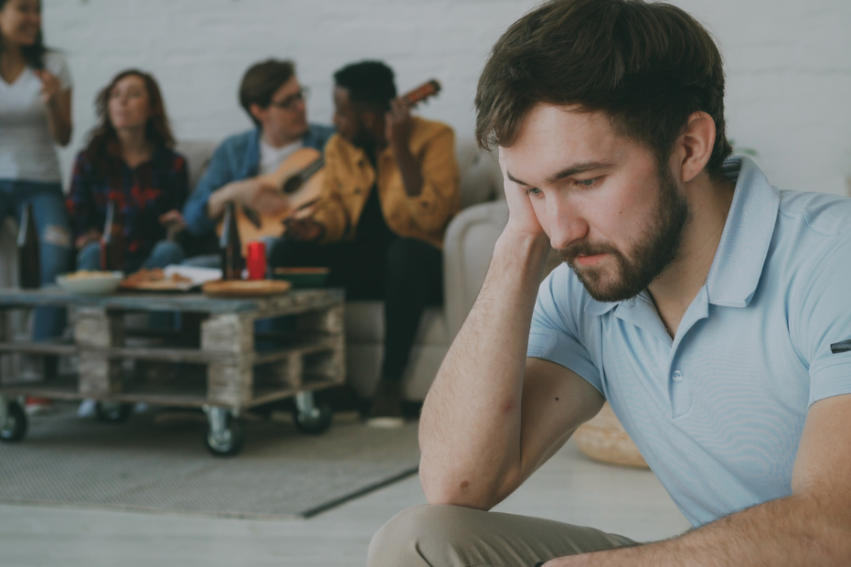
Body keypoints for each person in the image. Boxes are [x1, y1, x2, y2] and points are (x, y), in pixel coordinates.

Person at [369, 1, 851, 566]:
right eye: (533, 190)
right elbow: (457, 483)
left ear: (689, 147)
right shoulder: (587, 290)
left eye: (585, 180)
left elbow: (832, 529)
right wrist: (517, 247)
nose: (561, 230)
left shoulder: (830, 259)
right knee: (421, 542)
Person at [272, 61, 460, 427]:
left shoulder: (436, 137)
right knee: (286, 252)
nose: (335, 119)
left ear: (372, 117)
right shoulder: (339, 147)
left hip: (418, 266)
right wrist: (317, 228)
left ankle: (388, 386)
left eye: (343, 112)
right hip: (370, 263)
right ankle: (321, 384)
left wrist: (400, 147)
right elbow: (334, 207)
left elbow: (432, 218)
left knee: (404, 253)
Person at [182, 59, 334, 259]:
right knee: (185, 267)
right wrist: (234, 193)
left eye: (300, 95)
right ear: (258, 111)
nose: (301, 107)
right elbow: (192, 219)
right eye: (288, 102)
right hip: (240, 256)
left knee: (275, 248)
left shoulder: (331, 143)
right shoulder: (233, 150)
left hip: (299, 252)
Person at [0, 0, 73, 344]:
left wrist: (54, 101)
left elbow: (64, 137)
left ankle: (42, 368)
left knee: (57, 255)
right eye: (23, 9)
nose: (33, 18)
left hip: (41, 181)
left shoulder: (53, 65)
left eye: (37, 10)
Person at [67, 69, 188, 275]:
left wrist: (177, 223)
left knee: (170, 250)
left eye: (133, 94)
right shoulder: (90, 160)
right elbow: (77, 216)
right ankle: (93, 308)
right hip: (106, 255)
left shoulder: (172, 163)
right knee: (92, 252)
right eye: (115, 95)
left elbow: (181, 216)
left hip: (151, 261)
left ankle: (151, 301)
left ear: (151, 107)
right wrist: (86, 236)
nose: (122, 101)